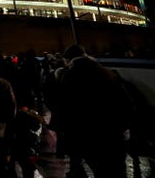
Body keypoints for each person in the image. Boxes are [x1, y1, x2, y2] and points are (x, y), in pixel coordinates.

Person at [56, 44, 134, 178]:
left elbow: (65, 107)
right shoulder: (108, 72)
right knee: (117, 170)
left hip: (89, 135)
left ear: (68, 59)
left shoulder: (69, 76)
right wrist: (125, 127)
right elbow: (126, 101)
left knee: (101, 170)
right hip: (114, 132)